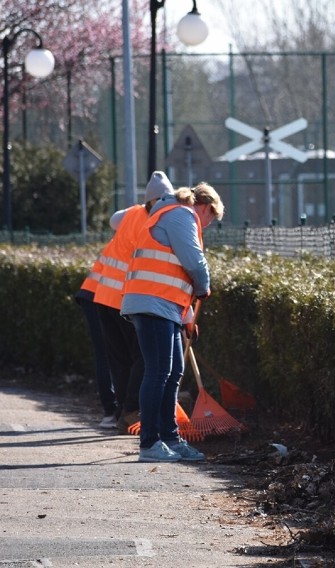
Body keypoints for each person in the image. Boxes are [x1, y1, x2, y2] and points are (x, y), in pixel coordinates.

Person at [121, 182, 224, 462]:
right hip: (152, 304)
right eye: (211, 218)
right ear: (205, 207)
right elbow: (193, 261)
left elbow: (174, 272)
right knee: (158, 372)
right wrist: (204, 285)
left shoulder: (173, 214)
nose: (208, 224)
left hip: (163, 305)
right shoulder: (182, 215)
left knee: (173, 370)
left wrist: (187, 314)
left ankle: (170, 438)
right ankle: (150, 444)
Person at [93, 171, 175, 434]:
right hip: (125, 298)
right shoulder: (152, 223)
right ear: (156, 201)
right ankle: (130, 410)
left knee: (120, 359)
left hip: (103, 295)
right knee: (143, 356)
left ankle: (122, 412)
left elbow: (113, 219)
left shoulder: (131, 214)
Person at [75, 257, 117, 428]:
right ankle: (111, 412)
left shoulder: (129, 233)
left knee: (107, 353)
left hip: (97, 292)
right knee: (107, 352)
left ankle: (113, 412)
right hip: (101, 295)